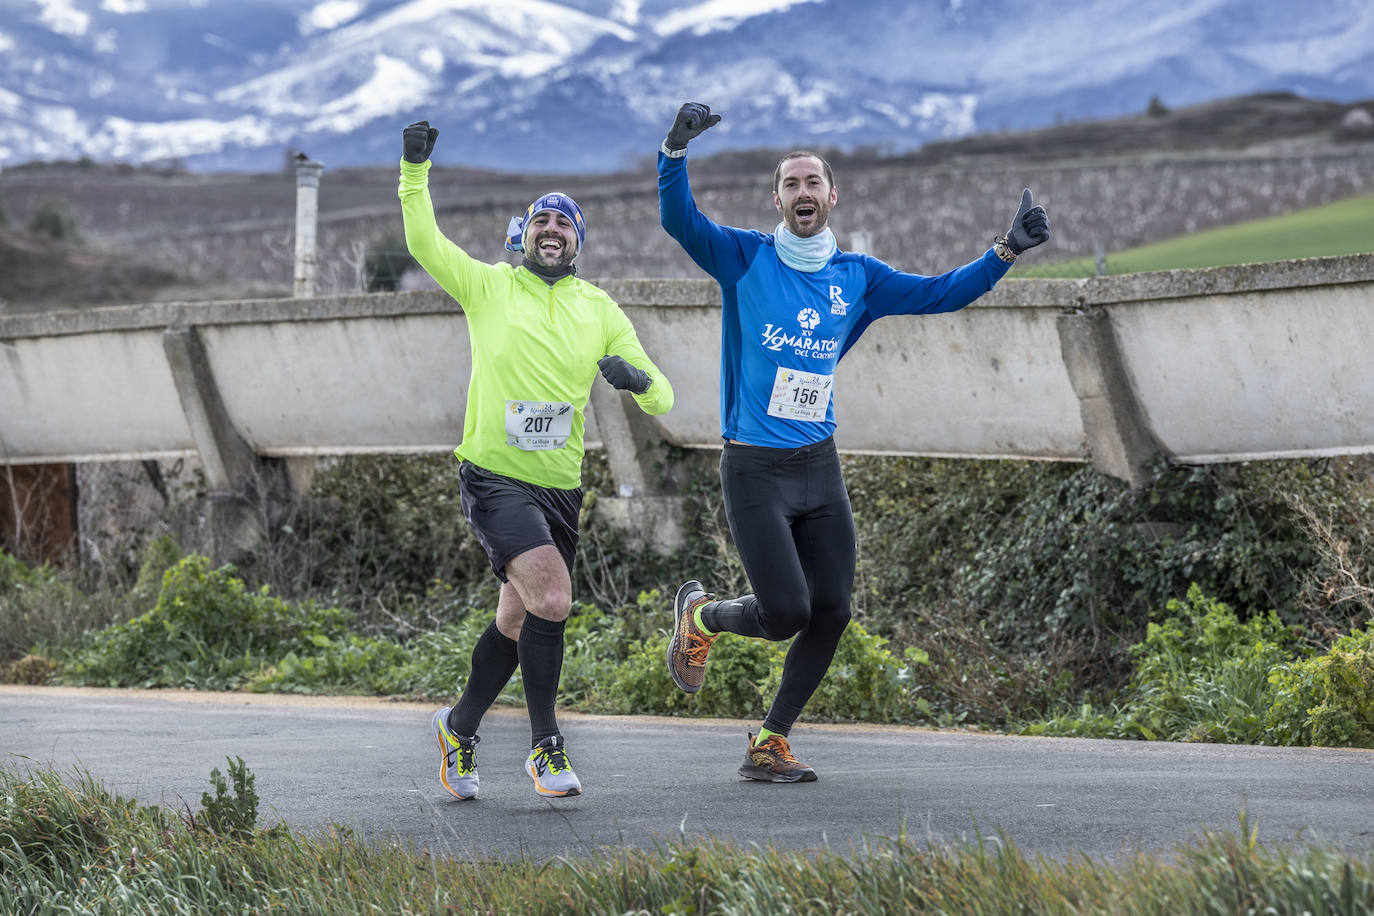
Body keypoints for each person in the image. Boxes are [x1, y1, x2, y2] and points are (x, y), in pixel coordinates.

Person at [656, 102, 1050, 783]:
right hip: (753, 468)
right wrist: (674, 154)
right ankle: (703, 616)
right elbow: (680, 221)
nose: (802, 193)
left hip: (819, 465)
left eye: (814, 183)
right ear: (776, 199)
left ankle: (769, 742)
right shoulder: (746, 257)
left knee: (832, 609)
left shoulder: (857, 276)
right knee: (785, 612)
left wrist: (1004, 252)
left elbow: (938, 293)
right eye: (791, 184)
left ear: (832, 197)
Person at [399, 119, 674, 799]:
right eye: (541, 220)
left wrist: (636, 381)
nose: (552, 228)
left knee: (518, 619)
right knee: (552, 596)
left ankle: (458, 728)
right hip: (494, 476)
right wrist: (414, 172)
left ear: (578, 241)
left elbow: (662, 394)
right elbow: (424, 242)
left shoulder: (599, 308)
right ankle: (546, 747)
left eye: (565, 223)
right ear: (523, 235)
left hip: (558, 488)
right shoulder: (488, 287)